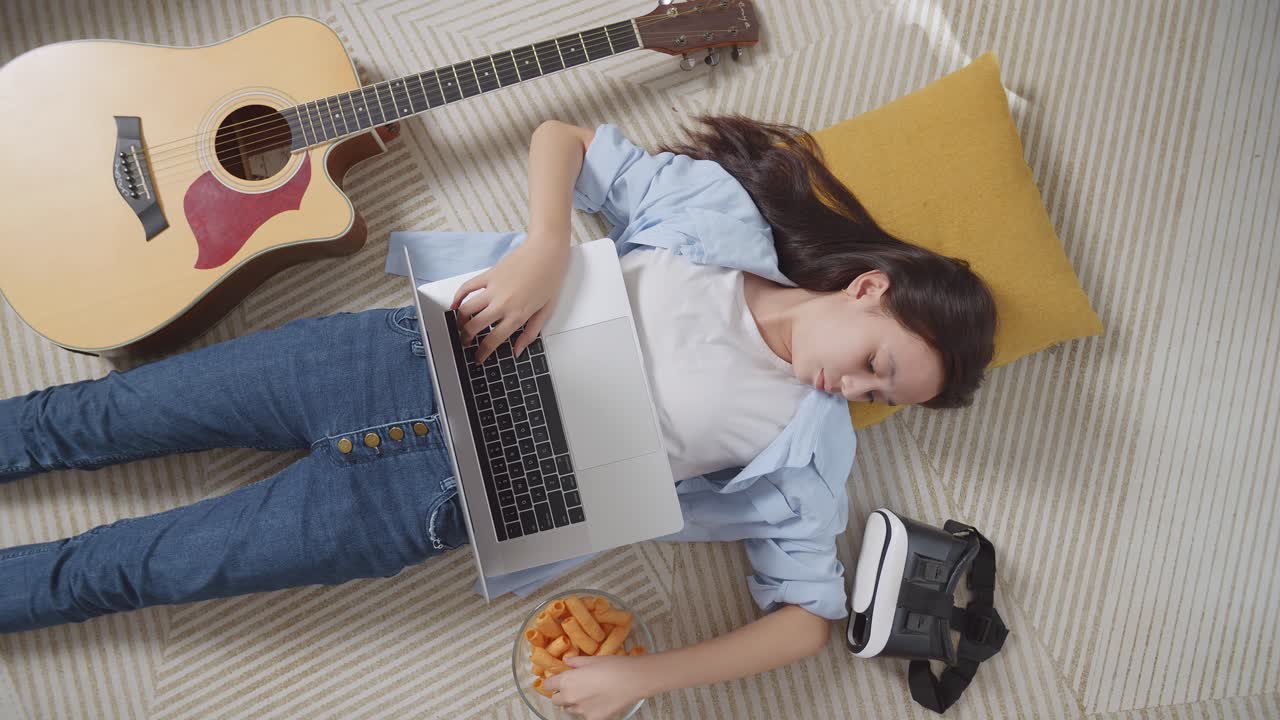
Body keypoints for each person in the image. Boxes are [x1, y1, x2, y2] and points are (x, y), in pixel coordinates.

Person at [0, 116, 996, 720]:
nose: (851, 391)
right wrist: (547, 246)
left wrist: (645, 678)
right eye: (874, 365)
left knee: (122, 572)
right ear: (867, 287)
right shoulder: (716, 222)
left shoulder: (806, 452)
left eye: (879, 399)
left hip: (422, 505)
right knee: (87, 418)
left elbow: (807, 622)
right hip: (377, 363)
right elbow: (565, 139)